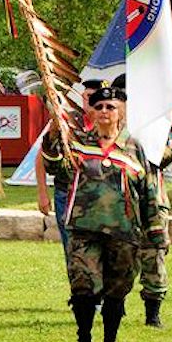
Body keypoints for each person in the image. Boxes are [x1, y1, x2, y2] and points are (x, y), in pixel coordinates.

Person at [44, 86, 166, 342]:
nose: (104, 112)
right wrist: (53, 132)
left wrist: (156, 232)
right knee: (83, 284)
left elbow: (147, 192)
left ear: (120, 111)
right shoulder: (77, 144)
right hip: (84, 229)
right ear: (91, 111)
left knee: (117, 287)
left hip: (123, 232)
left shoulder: (134, 149)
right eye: (98, 107)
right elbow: (54, 166)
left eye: (110, 107)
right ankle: (84, 341)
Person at [37, 79, 103, 264]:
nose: (92, 102)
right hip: (68, 194)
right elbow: (41, 156)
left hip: (100, 195)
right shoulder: (67, 121)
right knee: (73, 251)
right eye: (88, 96)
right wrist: (42, 193)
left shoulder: (110, 124)